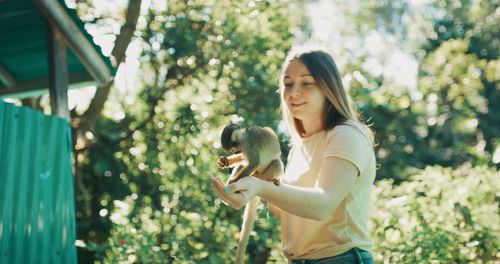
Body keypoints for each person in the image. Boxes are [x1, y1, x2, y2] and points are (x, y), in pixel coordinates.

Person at [211, 46, 376, 264]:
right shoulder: (301, 145)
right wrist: (252, 188)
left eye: (306, 83)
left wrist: (260, 187)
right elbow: (294, 215)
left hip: (340, 258)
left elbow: (322, 206)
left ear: (328, 88)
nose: (294, 92)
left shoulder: (346, 135)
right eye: (288, 84)